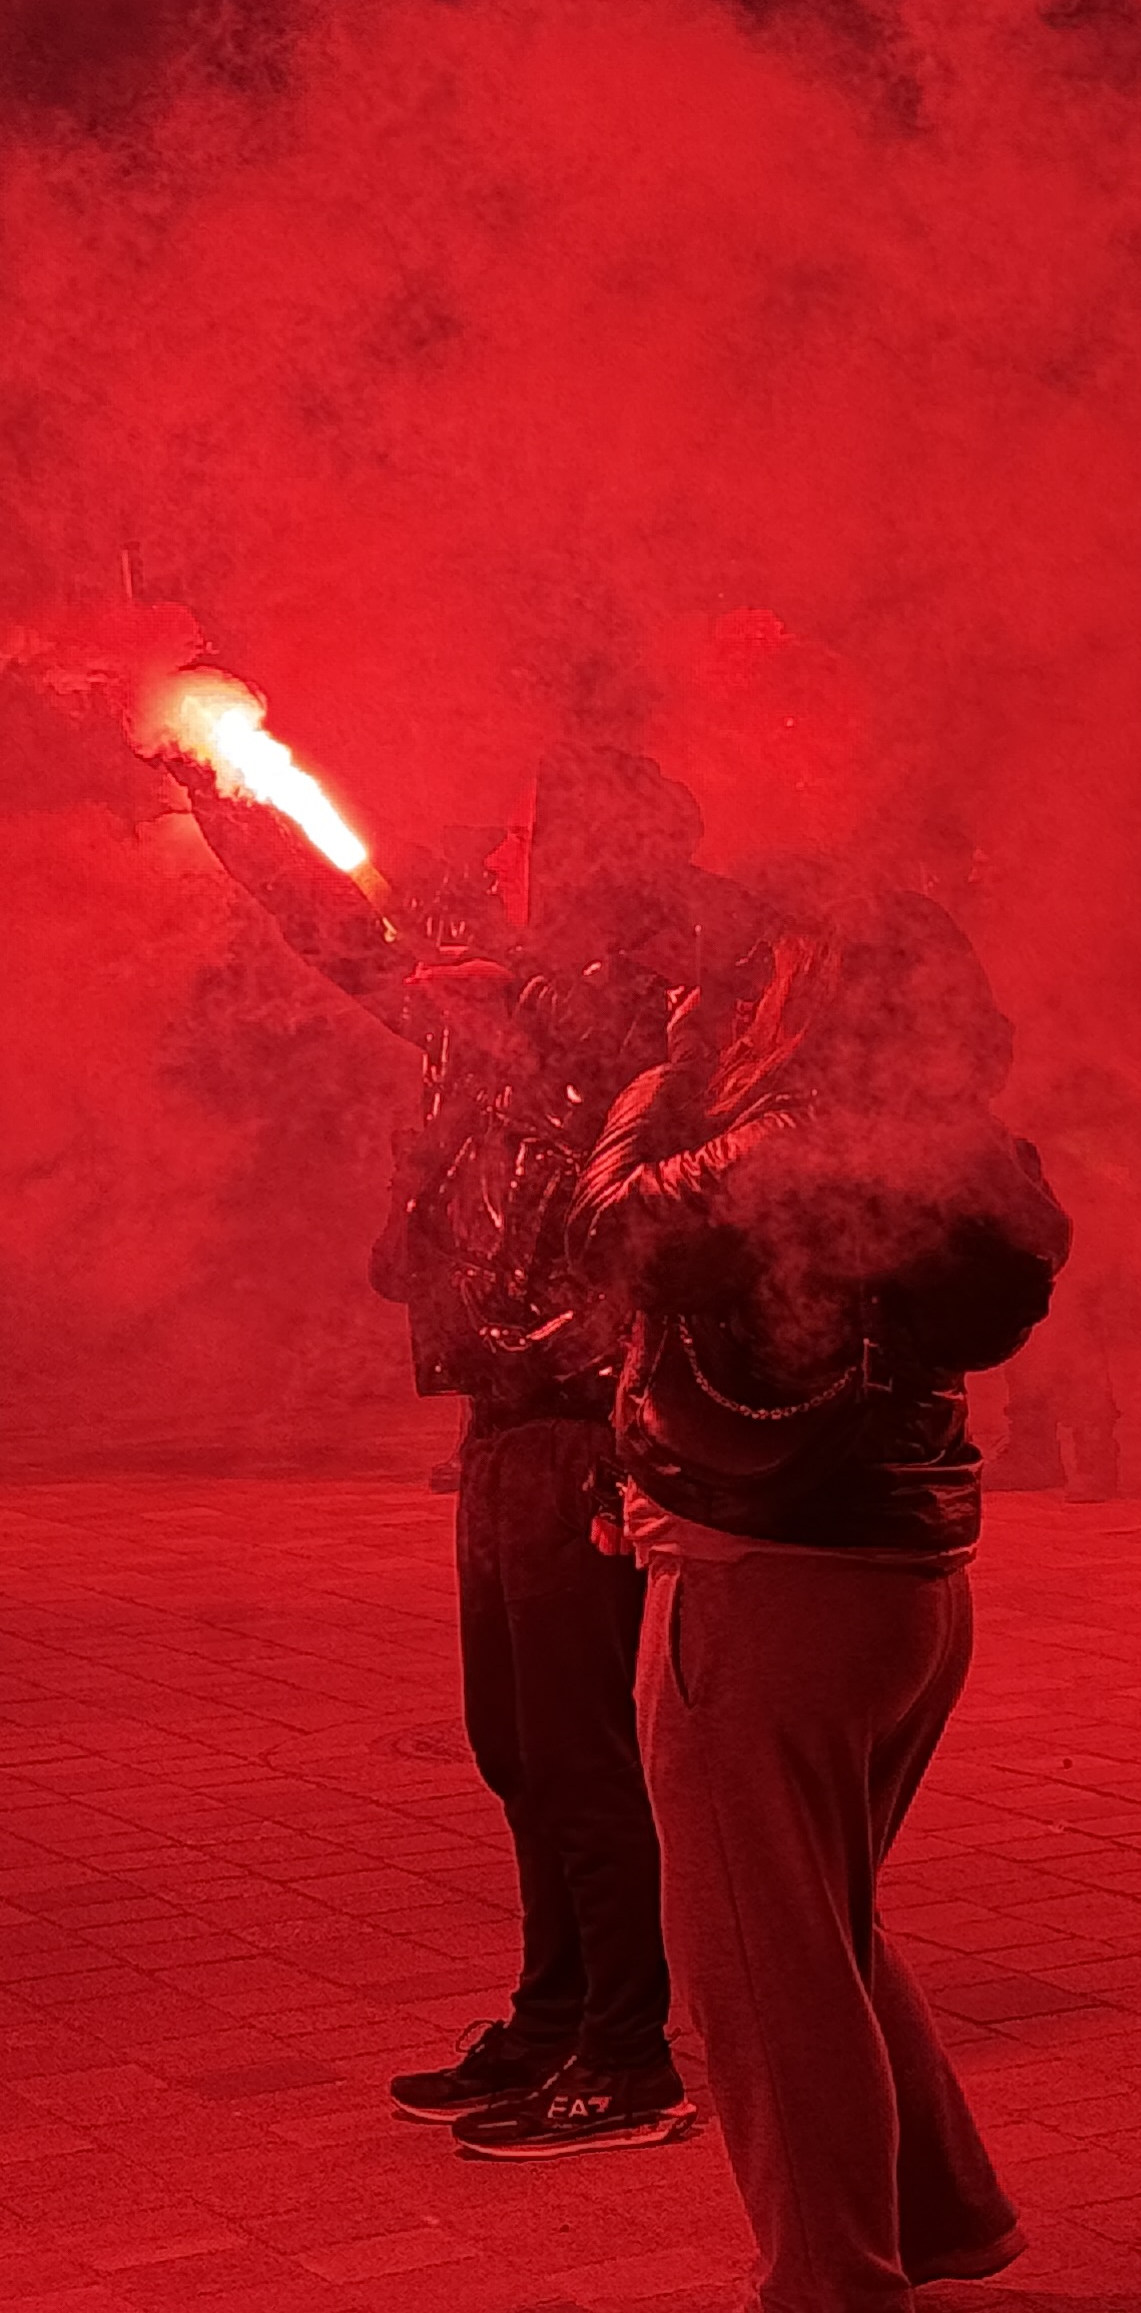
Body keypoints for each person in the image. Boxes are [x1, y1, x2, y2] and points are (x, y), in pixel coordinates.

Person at [172, 736, 720, 2159]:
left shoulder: (640, 1002)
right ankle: (551, 2018)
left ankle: (629, 2053)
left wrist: (516, 995)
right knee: (514, 1744)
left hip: (581, 1416)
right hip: (499, 1405)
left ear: (599, 853)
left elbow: (624, 1073)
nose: (490, 856)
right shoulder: (507, 997)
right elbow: (351, 941)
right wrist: (215, 790)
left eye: (525, 832)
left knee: (579, 1749)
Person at [580, 890, 1068, 2309]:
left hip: (767, 1588)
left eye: (751, 982)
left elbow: (611, 1234)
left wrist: (661, 1078)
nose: (723, 1000)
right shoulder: (947, 1136)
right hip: (899, 1580)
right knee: (819, 1923)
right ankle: (941, 2216)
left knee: (758, 1969)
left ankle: (830, 2284)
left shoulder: (794, 1136)